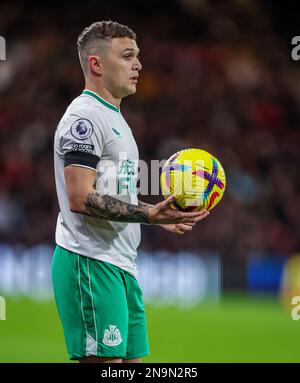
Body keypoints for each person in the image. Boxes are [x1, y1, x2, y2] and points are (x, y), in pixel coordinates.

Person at [52, 20, 209, 364]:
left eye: (137, 56)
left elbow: (114, 195)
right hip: (90, 261)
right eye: (127, 56)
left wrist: (155, 218)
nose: (138, 65)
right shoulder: (85, 118)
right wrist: (149, 214)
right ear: (95, 64)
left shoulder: (117, 120)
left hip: (122, 264)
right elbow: (80, 198)